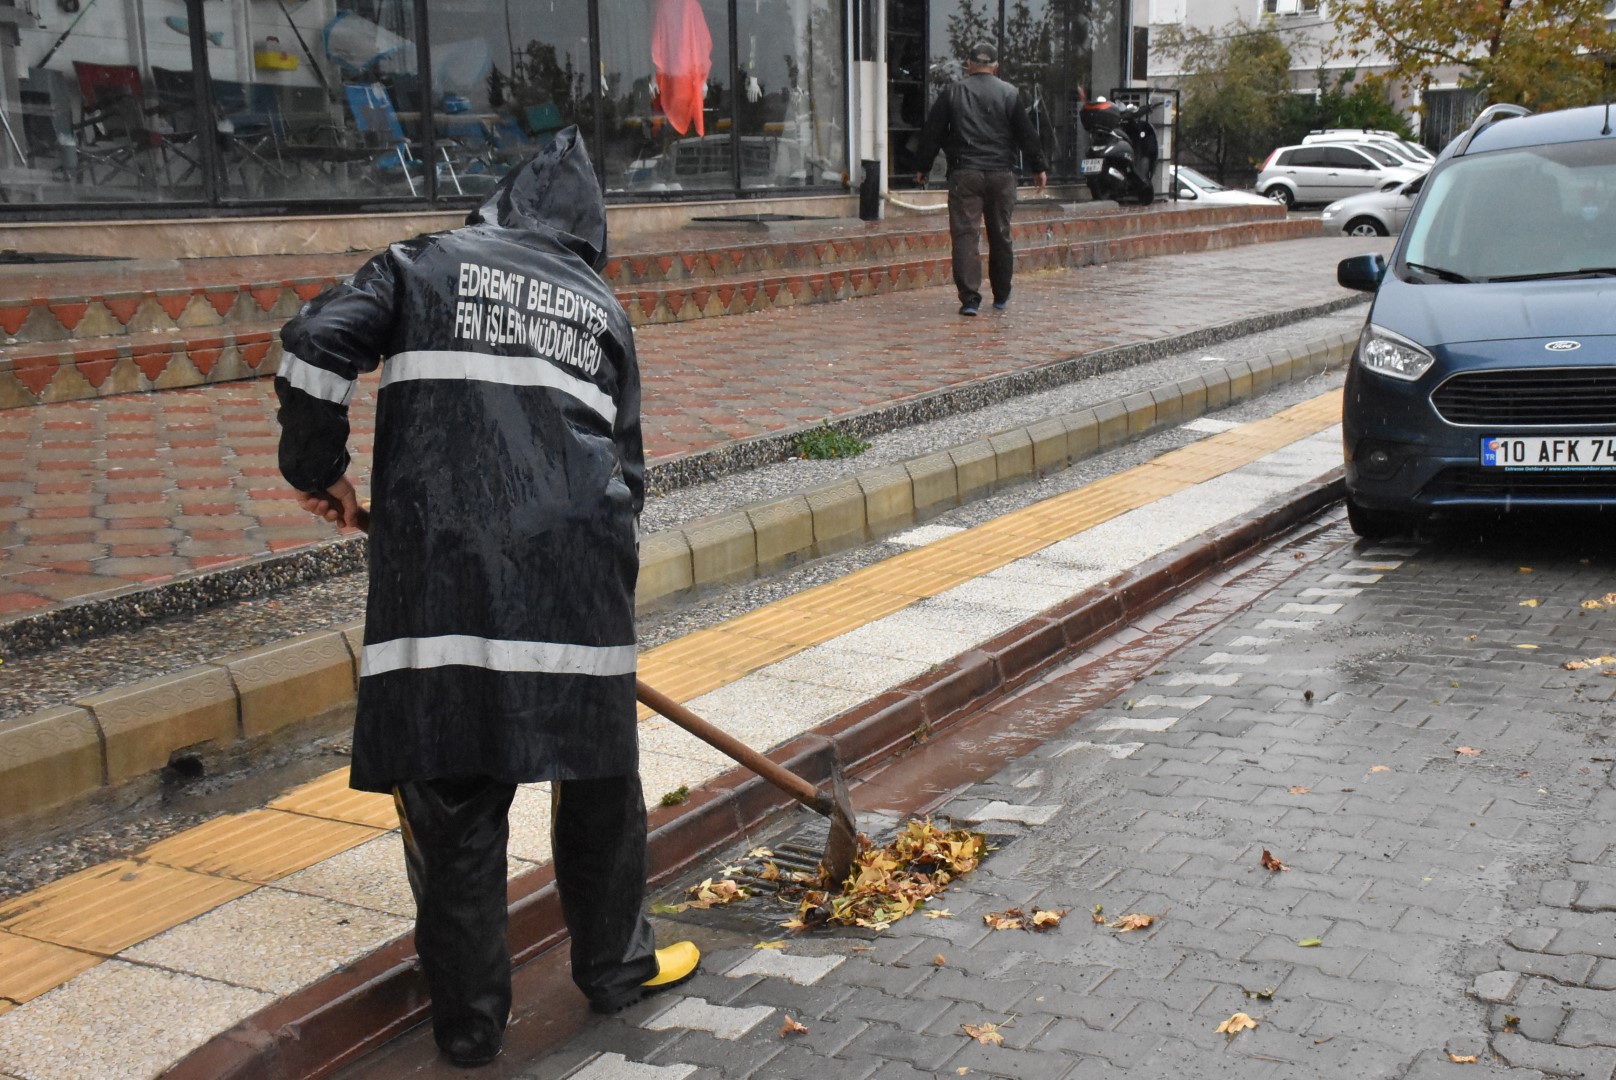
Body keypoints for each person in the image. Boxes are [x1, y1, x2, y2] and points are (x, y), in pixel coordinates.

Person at [274, 128, 699, 1069]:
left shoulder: (419, 266)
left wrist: (320, 468)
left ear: (502, 207)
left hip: (444, 578)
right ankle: (616, 968)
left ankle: (470, 1029)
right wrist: (599, 606)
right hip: (574, 575)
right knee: (598, 780)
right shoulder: (598, 304)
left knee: (455, 798)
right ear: (587, 235)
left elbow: (312, 345)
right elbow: (628, 471)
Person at [913, 41, 1049, 317]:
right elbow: (1026, 134)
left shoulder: (952, 93)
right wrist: (1038, 166)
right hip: (1002, 174)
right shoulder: (1010, 94)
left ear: (969, 65)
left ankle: (970, 299)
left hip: (965, 173)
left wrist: (922, 166)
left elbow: (933, 133)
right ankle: (1001, 294)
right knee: (1000, 233)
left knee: (966, 234)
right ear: (996, 67)